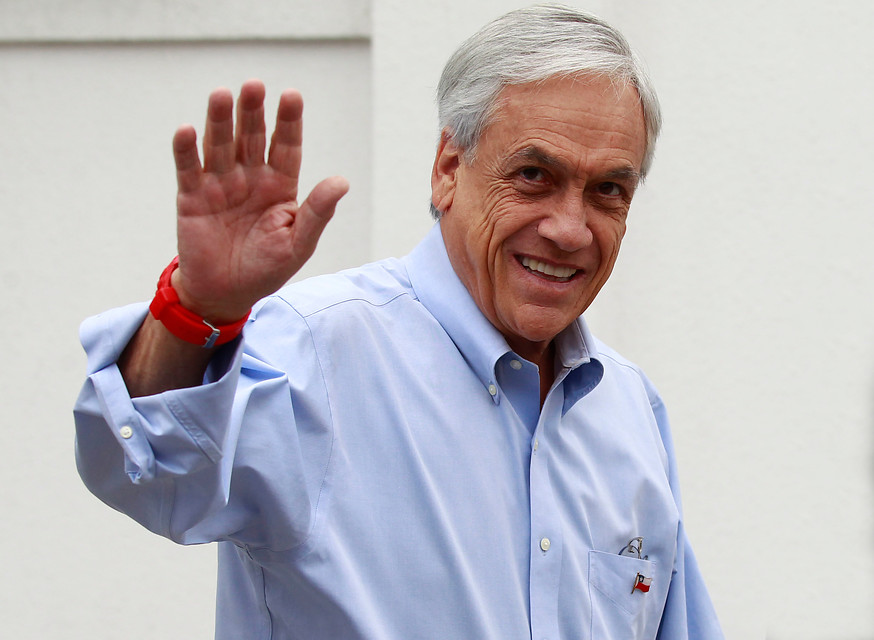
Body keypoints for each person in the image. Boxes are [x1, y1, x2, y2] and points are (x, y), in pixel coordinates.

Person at [74, 4, 723, 639]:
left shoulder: (630, 408)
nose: (570, 229)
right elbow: (145, 468)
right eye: (533, 175)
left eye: (608, 190)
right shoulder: (316, 351)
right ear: (448, 169)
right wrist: (195, 312)